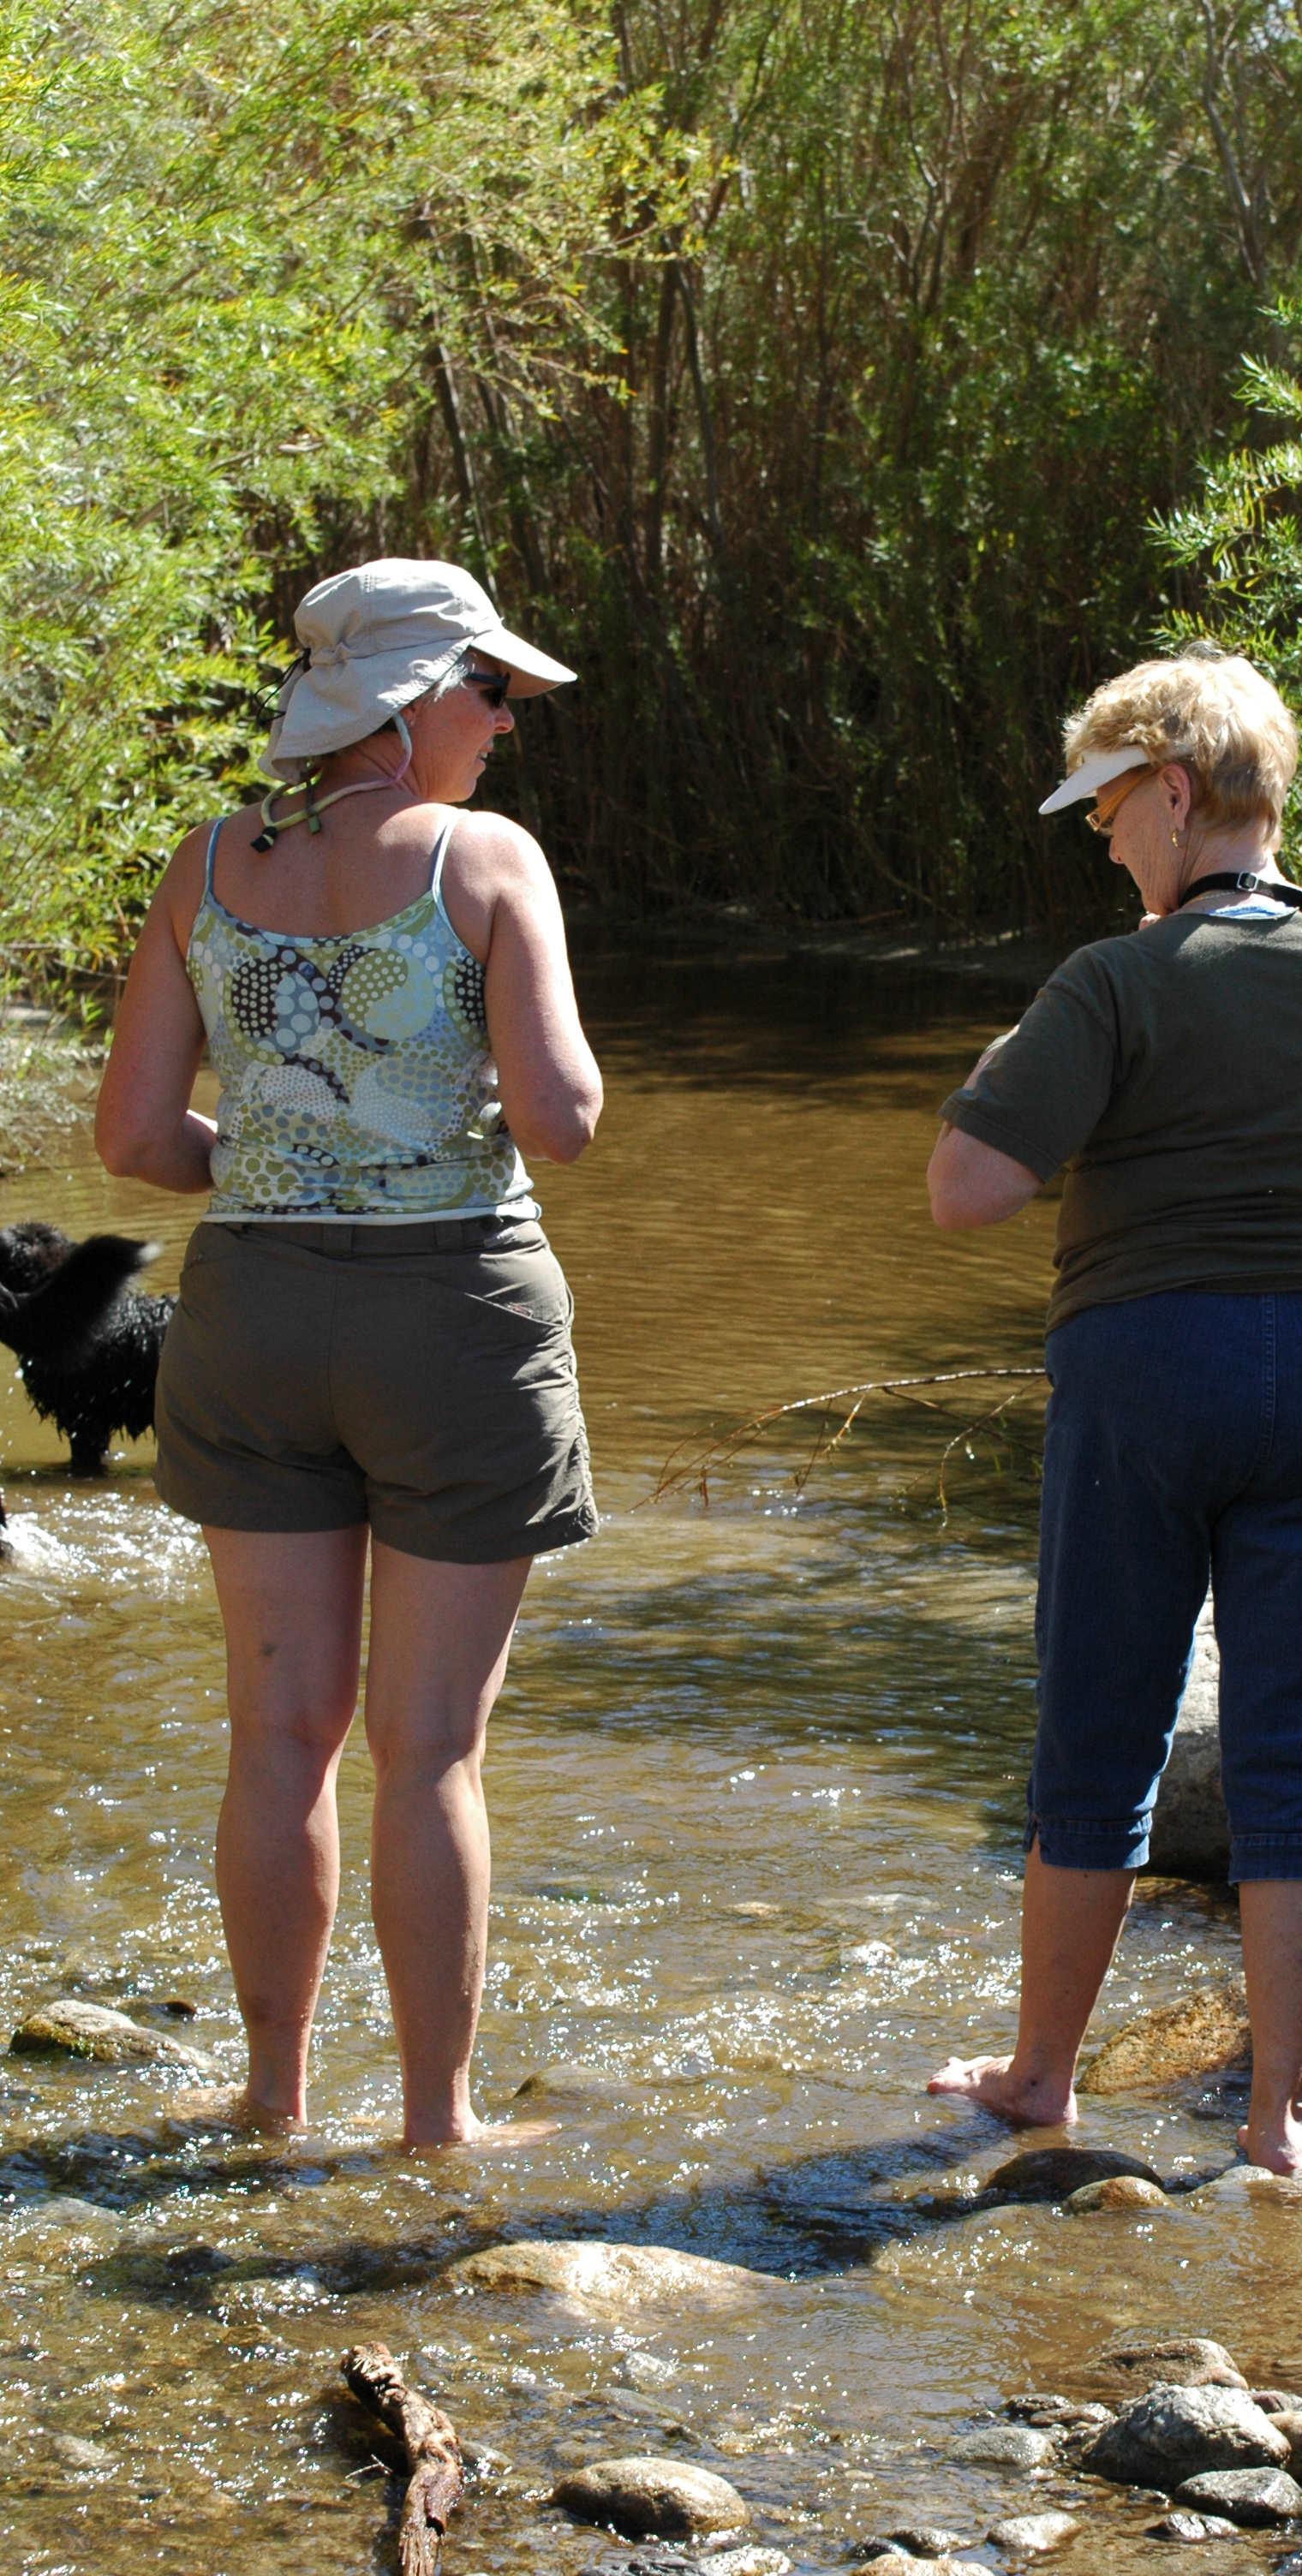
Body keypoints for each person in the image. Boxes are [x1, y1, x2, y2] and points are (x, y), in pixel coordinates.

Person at [94, 558, 603, 2148]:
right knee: (429, 1748)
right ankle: (436, 2124)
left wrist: (271, 1166)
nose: (505, 723)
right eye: (493, 692)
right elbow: (562, 1121)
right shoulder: (485, 860)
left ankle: (270, 2093)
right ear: (413, 697)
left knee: (279, 1735)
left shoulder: (205, 865)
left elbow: (131, 1139)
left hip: (249, 1315)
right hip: (451, 1313)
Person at [923, 647, 1302, 2174]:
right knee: (1301, 1740)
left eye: (1111, 806)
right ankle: (1283, 2121)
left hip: (1156, 1363)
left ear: (1179, 790)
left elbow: (968, 1191)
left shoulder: (1116, 979)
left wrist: (1017, 1059)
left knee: (1103, 1725)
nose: (1104, 838)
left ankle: (1039, 2079)